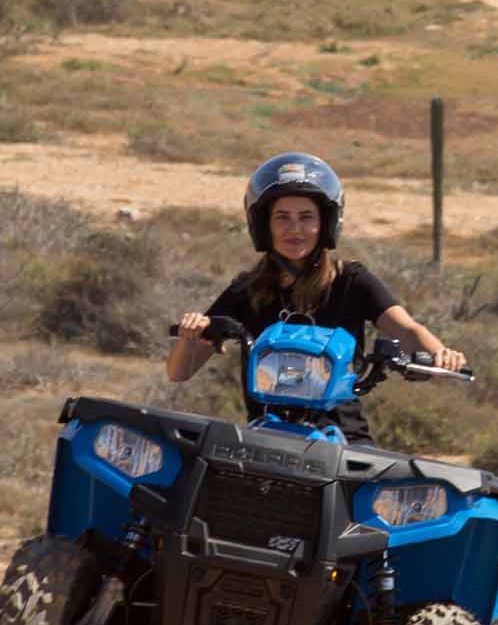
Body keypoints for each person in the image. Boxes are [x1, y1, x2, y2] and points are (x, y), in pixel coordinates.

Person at [165, 152, 463, 443]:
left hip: (344, 440)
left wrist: (442, 355)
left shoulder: (351, 281)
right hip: (266, 438)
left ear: (325, 224)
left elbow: (406, 329)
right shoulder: (246, 290)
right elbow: (180, 372)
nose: (295, 229)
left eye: (306, 217)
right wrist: (189, 338)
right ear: (264, 225)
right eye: (282, 217)